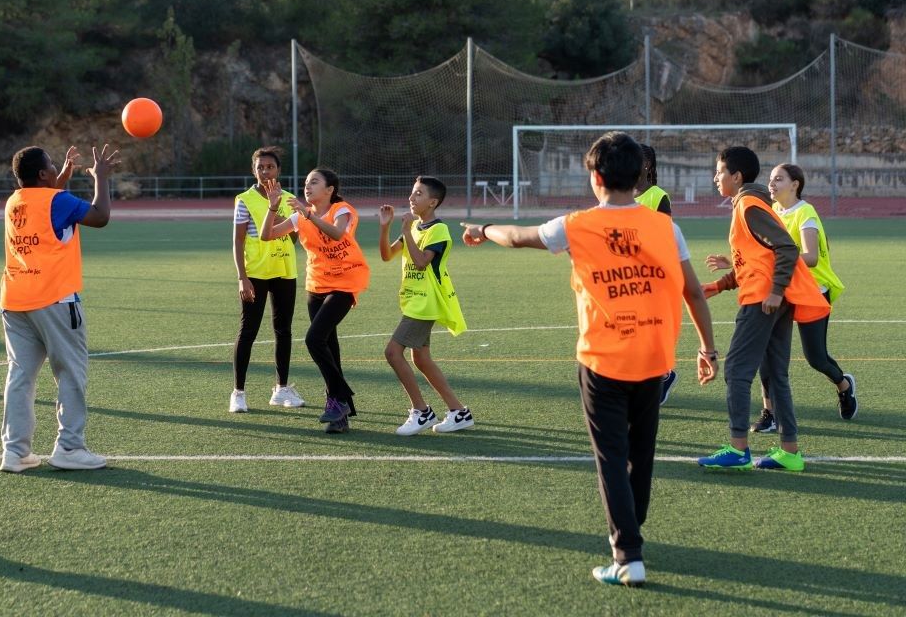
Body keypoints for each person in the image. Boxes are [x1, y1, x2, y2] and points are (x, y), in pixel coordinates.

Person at [461, 131, 716, 588]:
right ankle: (632, 528)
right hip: (655, 356)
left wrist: (482, 230)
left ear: (596, 178)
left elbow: (518, 237)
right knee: (641, 453)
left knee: (611, 458)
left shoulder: (575, 224)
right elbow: (693, 291)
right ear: (639, 177)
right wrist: (706, 348)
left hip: (603, 360)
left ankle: (628, 556)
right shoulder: (665, 226)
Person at [697, 147, 831, 474]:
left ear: (737, 176)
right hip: (774, 298)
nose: (716, 178)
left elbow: (786, 248)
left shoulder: (748, 205)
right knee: (776, 375)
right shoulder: (754, 204)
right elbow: (756, 261)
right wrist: (719, 285)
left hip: (764, 300)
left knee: (737, 371)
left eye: (720, 172)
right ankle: (790, 451)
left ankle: (739, 448)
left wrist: (774, 291)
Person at [705, 162, 855, 433]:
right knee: (766, 354)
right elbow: (759, 255)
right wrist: (732, 261)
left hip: (812, 290)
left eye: (779, 179)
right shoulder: (770, 211)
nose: (771, 184)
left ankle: (844, 385)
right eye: (771, 179)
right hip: (782, 289)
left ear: (795, 184)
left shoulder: (804, 212)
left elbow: (809, 256)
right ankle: (769, 413)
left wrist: (779, 255)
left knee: (816, 358)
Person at [0, 144, 119, 473]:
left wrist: (61, 179)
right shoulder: (57, 201)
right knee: (70, 372)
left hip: (15, 299)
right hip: (54, 299)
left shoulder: (14, 201)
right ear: (42, 174)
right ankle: (69, 446)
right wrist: (102, 178)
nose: (55, 168)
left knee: (20, 377)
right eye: (51, 165)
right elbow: (100, 216)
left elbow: (47, 206)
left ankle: (15, 451)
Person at [260, 169, 369, 434]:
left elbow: (337, 234)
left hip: (345, 284)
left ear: (330, 189)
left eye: (314, 182)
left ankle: (339, 396)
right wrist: (273, 208)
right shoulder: (300, 215)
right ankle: (340, 412)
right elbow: (267, 235)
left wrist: (307, 214)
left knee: (314, 339)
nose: (307, 187)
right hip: (316, 287)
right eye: (306, 183)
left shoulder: (342, 210)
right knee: (329, 347)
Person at [377, 176, 472, 435]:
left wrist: (407, 231)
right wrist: (386, 227)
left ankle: (421, 411)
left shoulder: (437, 230)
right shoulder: (415, 228)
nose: (411, 197)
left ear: (432, 202)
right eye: (412, 192)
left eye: (418, 194)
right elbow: (387, 255)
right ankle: (458, 411)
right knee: (421, 359)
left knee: (392, 353)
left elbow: (421, 262)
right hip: (413, 301)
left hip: (426, 303)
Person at [230, 147, 304, 413]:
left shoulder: (290, 198)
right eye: (260, 167)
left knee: (283, 331)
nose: (265, 172)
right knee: (248, 331)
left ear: (278, 170)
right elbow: (238, 242)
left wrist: (282, 214)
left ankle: (281, 389)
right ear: (254, 171)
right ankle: (238, 393)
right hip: (256, 274)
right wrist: (242, 278)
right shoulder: (245, 200)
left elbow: (295, 237)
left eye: (270, 167)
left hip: (284, 270)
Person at [635, 144, 678, 406]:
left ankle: (663, 376)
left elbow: (665, 237)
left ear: (647, 166)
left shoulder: (657, 196)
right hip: (625, 275)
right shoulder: (619, 194)